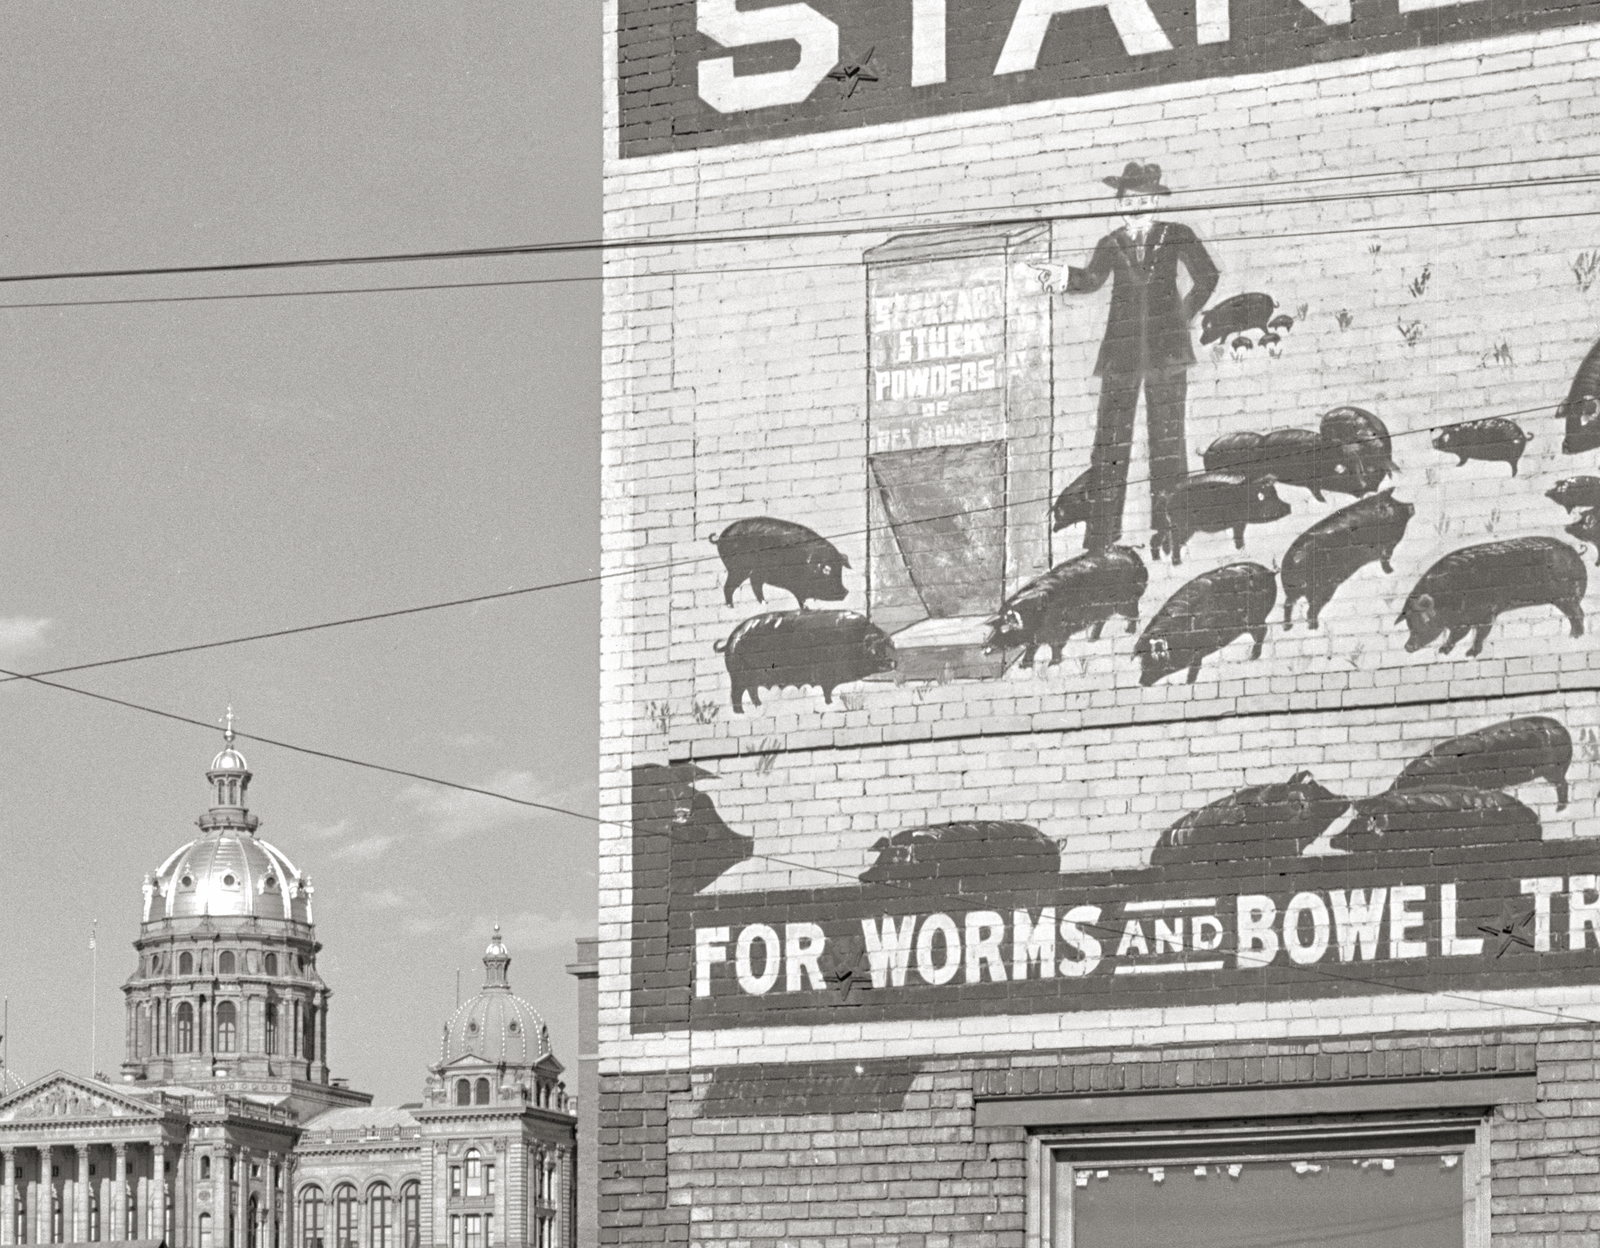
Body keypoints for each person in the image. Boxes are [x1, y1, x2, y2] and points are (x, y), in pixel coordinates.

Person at [1060, 161, 1218, 552]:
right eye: (1130, 200)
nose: (1137, 206)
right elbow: (1091, 280)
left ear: (1156, 202)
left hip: (1167, 352)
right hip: (1122, 354)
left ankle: (1171, 525)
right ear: (1119, 203)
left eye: (1145, 199)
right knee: (1111, 442)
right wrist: (1058, 277)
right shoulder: (1111, 243)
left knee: (1167, 439)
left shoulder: (1176, 234)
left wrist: (1181, 317)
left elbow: (1207, 276)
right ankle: (1102, 531)